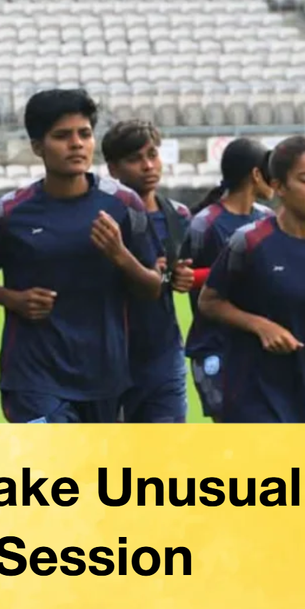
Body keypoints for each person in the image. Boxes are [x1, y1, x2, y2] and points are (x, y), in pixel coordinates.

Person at [0, 89, 162, 424]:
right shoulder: (6, 214)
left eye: (84, 134)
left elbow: (152, 288)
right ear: (38, 146)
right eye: (62, 136)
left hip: (103, 376)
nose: (76, 144)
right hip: (32, 377)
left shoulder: (124, 206)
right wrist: (13, 299)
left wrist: (120, 255)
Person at [198, 136, 305, 422]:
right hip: (259, 397)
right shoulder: (249, 242)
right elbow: (209, 301)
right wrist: (260, 326)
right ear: (278, 186)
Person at [101, 119, 195, 423]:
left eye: (152, 155)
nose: (148, 165)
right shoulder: (101, 216)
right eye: (135, 159)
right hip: (109, 352)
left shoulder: (178, 215)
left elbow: (184, 273)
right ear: (113, 169)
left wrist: (181, 278)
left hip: (163, 351)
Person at [184, 137, 276, 420]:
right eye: (270, 171)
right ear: (256, 175)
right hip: (217, 347)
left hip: (259, 346)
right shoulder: (205, 224)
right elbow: (177, 278)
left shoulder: (268, 219)